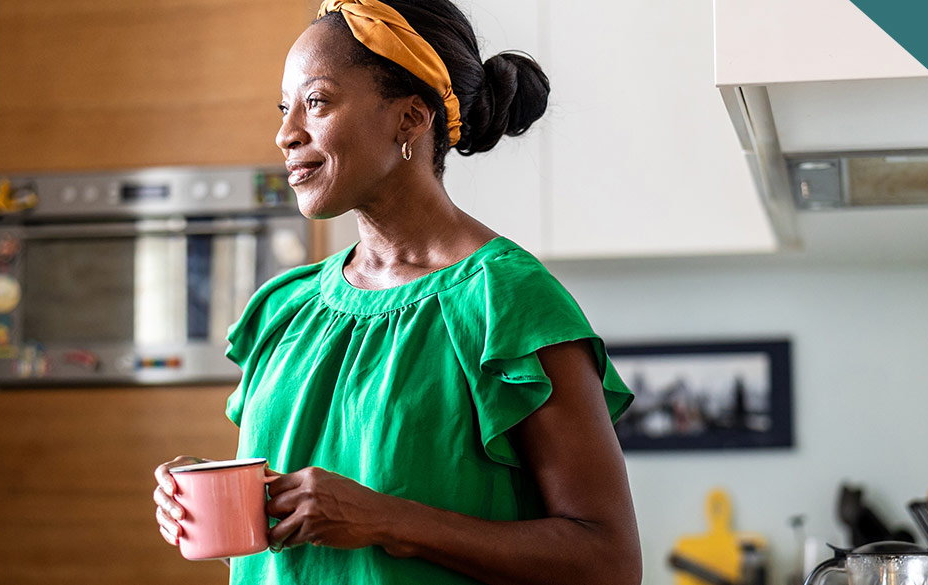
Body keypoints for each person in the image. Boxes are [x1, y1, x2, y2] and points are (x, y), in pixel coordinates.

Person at [152, 1, 640, 583]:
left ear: (410, 119)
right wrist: (218, 504)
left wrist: (386, 520)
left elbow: (607, 561)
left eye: (317, 102)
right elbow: (300, 547)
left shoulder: (505, 301)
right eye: (285, 108)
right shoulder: (287, 310)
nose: (285, 133)